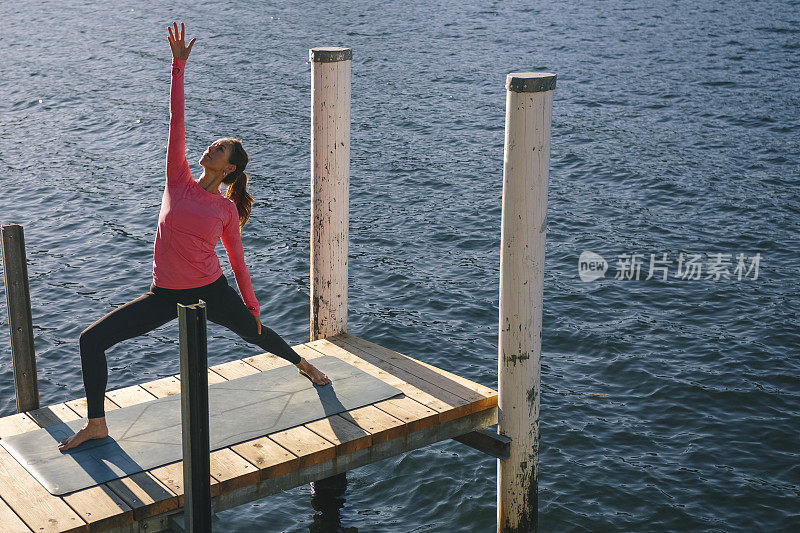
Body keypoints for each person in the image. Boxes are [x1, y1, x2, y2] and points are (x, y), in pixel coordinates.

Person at [58, 22, 330, 452]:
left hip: (210, 289)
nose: (210, 148)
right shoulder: (177, 179)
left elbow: (237, 262)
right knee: (91, 340)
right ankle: (97, 424)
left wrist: (252, 304)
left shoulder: (224, 209)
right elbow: (176, 120)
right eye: (213, 144)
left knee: (254, 332)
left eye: (219, 149)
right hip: (164, 294)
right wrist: (178, 66)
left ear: (229, 169)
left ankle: (303, 364)